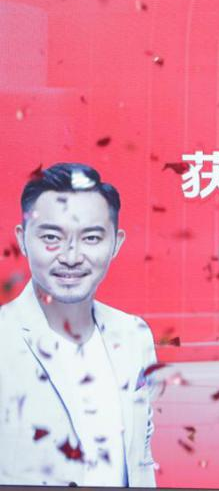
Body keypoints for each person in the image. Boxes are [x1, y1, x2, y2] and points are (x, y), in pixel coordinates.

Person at [0, 163, 157, 486]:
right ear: (22, 239)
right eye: (51, 237)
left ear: (116, 243)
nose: (71, 257)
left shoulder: (134, 334)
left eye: (91, 237)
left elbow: (140, 457)